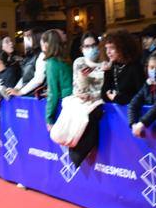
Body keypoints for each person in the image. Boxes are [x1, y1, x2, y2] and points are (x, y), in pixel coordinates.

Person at [54, 32, 105, 165]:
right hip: (81, 99)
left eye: (93, 45)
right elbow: (79, 89)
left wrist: (93, 94)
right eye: (87, 46)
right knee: (74, 110)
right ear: (82, 49)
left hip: (98, 100)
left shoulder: (105, 64)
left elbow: (102, 89)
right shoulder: (80, 62)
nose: (91, 49)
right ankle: (70, 144)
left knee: (90, 114)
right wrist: (83, 78)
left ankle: (79, 153)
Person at [129, 50, 156, 137]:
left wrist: (142, 123)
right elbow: (133, 104)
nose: (154, 71)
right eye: (151, 67)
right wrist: (133, 124)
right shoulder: (147, 84)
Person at [100, 29, 143, 105]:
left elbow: (141, 96)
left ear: (123, 48)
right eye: (106, 48)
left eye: (112, 48)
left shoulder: (135, 67)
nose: (108, 52)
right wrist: (107, 71)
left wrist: (117, 98)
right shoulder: (113, 66)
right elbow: (104, 96)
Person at [42, 29, 72, 129]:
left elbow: (53, 92)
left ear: (47, 44)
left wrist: (49, 118)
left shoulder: (51, 63)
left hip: (63, 105)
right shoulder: (65, 59)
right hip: (72, 101)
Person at [8, 28, 46, 97]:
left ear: (36, 37)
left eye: (28, 36)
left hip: (35, 96)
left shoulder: (42, 55)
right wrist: (16, 88)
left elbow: (38, 79)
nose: (25, 39)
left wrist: (21, 92)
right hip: (28, 95)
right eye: (24, 36)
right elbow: (25, 76)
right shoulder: (29, 56)